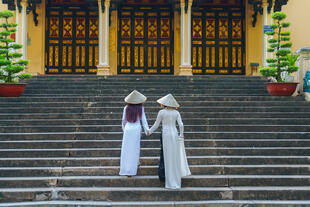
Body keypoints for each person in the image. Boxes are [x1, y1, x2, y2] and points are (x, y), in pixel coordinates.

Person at [147, 94, 191, 189]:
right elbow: (181, 125)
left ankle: (169, 182)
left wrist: (149, 131)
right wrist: (181, 135)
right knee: (174, 157)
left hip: (166, 134)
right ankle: (176, 181)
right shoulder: (176, 113)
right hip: (174, 133)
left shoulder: (161, 112)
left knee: (167, 157)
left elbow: (156, 125)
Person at [119, 90, 149, 176]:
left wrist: (124, 130)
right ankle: (134, 166)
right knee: (135, 148)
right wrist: (147, 130)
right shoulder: (141, 108)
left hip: (128, 128)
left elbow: (123, 121)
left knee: (126, 149)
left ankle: (126, 168)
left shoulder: (126, 108)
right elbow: (144, 120)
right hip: (136, 128)